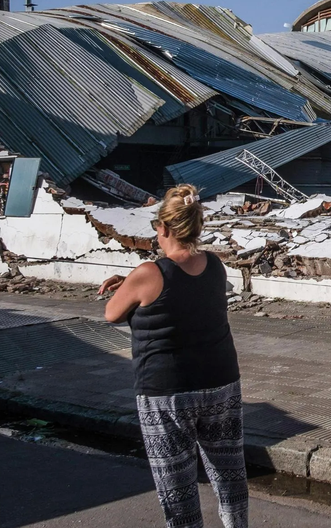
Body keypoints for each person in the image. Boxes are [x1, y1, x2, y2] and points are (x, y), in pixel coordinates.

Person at [98, 184, 247, 528]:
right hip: (221, 383)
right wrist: (132, 280)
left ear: (163, 229)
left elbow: (113, 313)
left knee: (178, 489)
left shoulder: (148, 272)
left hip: (167, 393)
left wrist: (129, 282)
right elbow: (184, 291)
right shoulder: (214, 264)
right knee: (229, 474)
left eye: (156, 228)